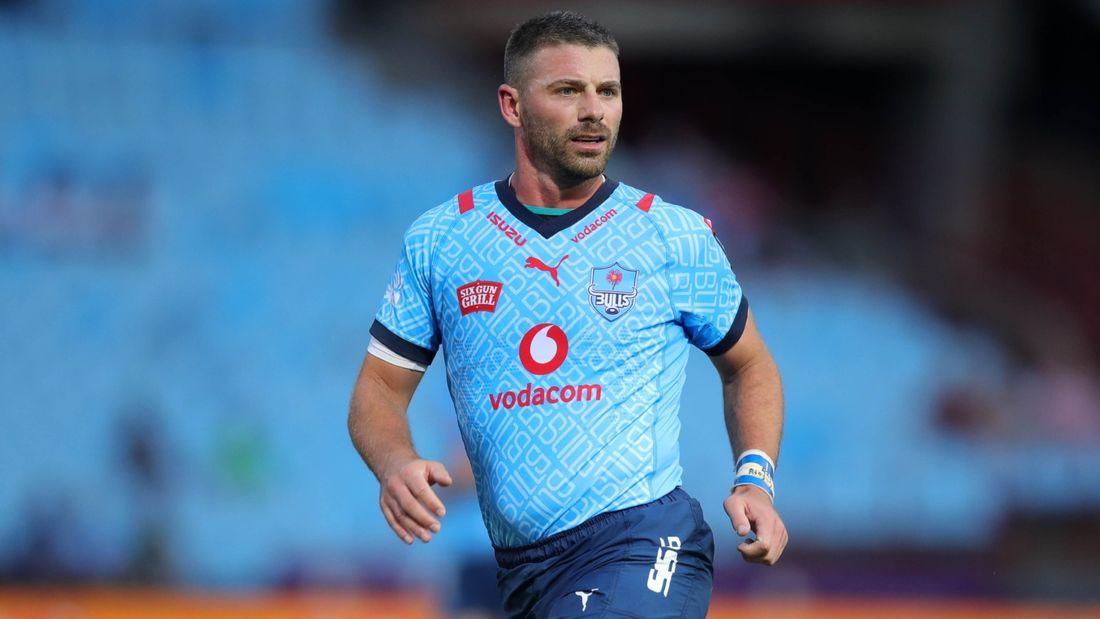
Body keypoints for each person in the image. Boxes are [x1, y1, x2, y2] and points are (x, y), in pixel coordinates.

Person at [348, 10, 787, 617]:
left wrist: (755, 479)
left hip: (644, 538)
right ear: (512, 105)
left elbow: (749, 365)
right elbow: (377, 388)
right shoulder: (443, 240)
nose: (594, 110)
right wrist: (394, 461)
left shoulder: (672, 236)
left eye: (608, 91)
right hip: (522, 572)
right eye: (567, 90)